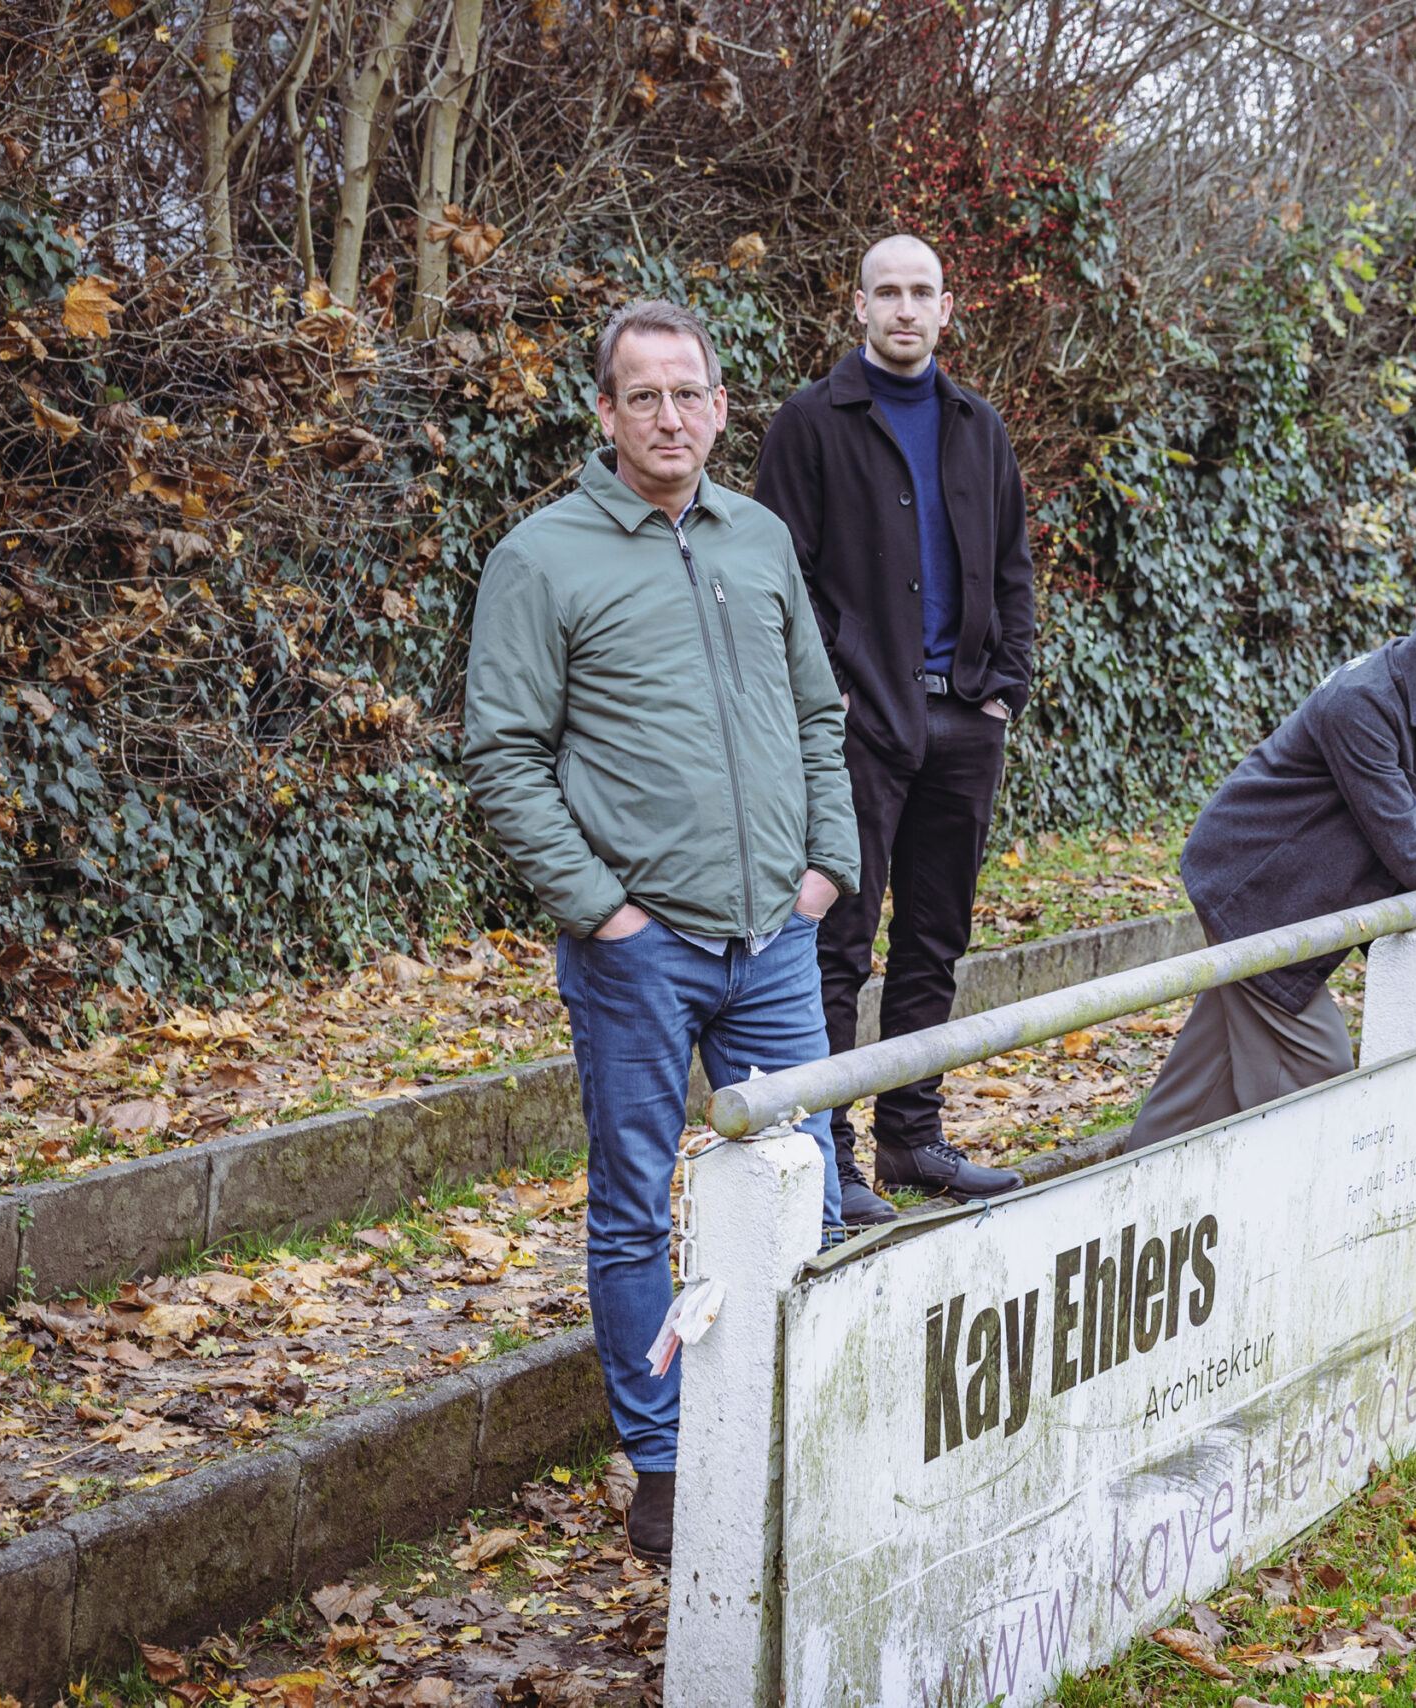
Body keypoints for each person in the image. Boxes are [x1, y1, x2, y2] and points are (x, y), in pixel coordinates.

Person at [462, 300, 859, 1567]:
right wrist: (605, 913)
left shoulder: (760, 538)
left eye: (688, 392)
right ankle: (669, 1461)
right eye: (643, 396)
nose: (669, 416)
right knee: (635, 1205)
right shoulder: (542, 557)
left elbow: (816, 710)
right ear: (605, 414)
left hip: (776, 940)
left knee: (808, 1186)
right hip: (640, 947)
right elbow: (504, 758)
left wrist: (826, 866)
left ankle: (810, 1423)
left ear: (721, 405)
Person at [1124, 542, 1416, 1148]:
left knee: (1205, 1080)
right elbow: (1411, 848)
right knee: (1322, 1085)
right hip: (1259, 888)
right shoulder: (1364, 699)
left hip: (1309, 888)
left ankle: (1116, 1202)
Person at [754, 234, 1037, 1217]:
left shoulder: (976, 425)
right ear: (859, 307)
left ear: (946, 308)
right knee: (837, 940)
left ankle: (911, 1141)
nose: (905, 308)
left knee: (933, 937)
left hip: (964, 717)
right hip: (855, 724)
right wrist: (821, 693)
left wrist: (1004, 686)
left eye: (922, 292)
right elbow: (776, 580)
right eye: (888, 292)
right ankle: (828, 1148)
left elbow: (1011, 568)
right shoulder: (811, 422)